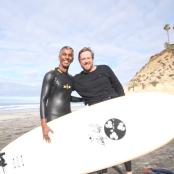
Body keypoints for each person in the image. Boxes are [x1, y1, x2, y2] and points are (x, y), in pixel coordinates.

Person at [74, 47, 132, 174]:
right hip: (95, 113)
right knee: (102, 145)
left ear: (92, 58)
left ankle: (129, 172)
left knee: (121, 141)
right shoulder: (77, 79)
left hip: (113, 107)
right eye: (83, 59)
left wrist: (123, 105)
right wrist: (82, 100)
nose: (86, 61)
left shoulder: (105, 69)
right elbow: (64, 91)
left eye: (88, 58)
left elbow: (118, 86)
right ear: (79, 61)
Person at [40, 46, 82, 143]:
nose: (67, 57)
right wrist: (43, 124)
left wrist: (83, 99)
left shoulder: (71, 79)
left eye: (70, 55)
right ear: (59, 57)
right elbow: (43, 99)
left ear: (72, 59)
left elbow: (66, 97)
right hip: (53, 117)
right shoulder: (51, 75)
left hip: (68, 117)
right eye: (64, 54)